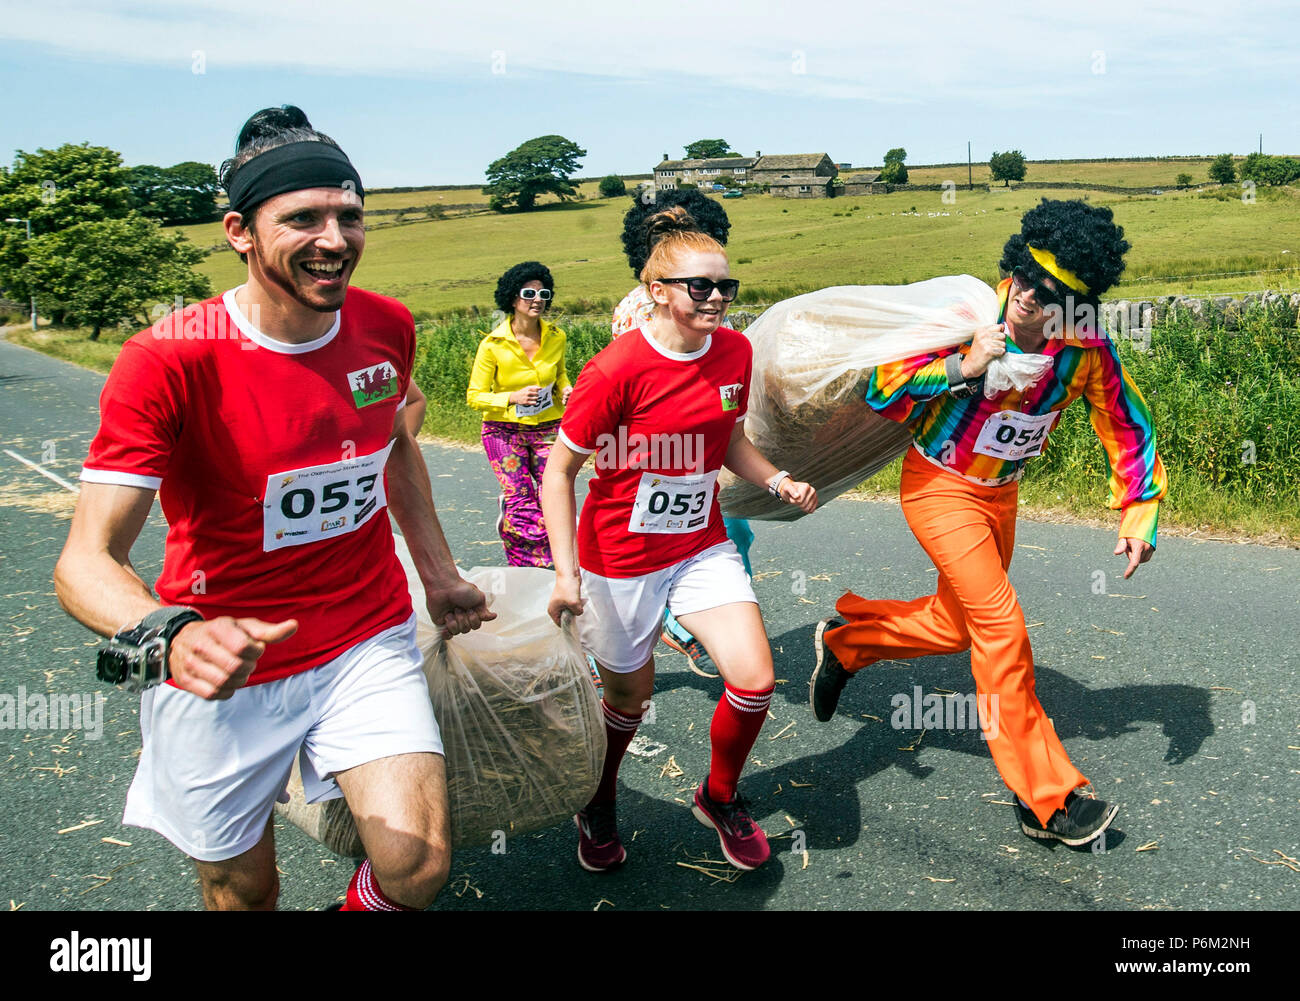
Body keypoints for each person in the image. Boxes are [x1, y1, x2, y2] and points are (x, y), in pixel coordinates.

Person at [54, 105, 494, 911]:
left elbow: (392, 444)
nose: (335, 238)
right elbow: (85, 561)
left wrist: (437, 572)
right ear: (239, 232)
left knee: (419, 866)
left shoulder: (386, 326)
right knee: (244, 889)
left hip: (365, 632)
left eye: (350, 215)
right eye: (302, 218)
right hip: (225, 662)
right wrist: (172, 631)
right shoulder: (169, 358)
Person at [810, 199, 1167, 847]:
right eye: (1026, 275)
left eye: (1051, 290)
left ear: (1075, 301)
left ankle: (847, 643)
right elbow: (881, 389)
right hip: (938, 487)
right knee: (1000, 624)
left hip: (1000, 497)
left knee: (953, 626)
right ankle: (1046, 797)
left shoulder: (1085, 349)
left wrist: (1140, 509)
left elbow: (1126, 423)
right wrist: (964, 366)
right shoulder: (968, 318)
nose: (1029, 295)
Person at [542, 207, 817, 873]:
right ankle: (599, 800)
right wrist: (566, 575)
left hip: (700, 543)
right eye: (701, 286)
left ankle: (718, 796)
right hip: (621, 561)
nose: (718, 298)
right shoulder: (613, 371)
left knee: (754, 679)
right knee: (629, 700)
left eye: (727, 286)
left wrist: (775, 477)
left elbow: (725, 437)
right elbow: (558, 472)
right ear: (657, 289)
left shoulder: (735, 351)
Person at [614, 188, 754, 677]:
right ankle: (669, 632)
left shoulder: (713, 305)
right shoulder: (638, 311)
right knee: (663, 552)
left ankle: (719, 629)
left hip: (699, 455)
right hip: (652, 460)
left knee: (731, 535)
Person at [467, 262, 571, 567]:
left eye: (543, 294)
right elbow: (474, 396)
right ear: (513, 298)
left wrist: (565, 390)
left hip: (549, 426)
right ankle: (530, 562)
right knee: (521, 499)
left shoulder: (557, 337)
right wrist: (511, 397)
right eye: (529, 293)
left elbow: (560, 375)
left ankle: (555, 555)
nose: (537, 299)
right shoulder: (492, 345)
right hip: (503, 431)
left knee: (553, 491)